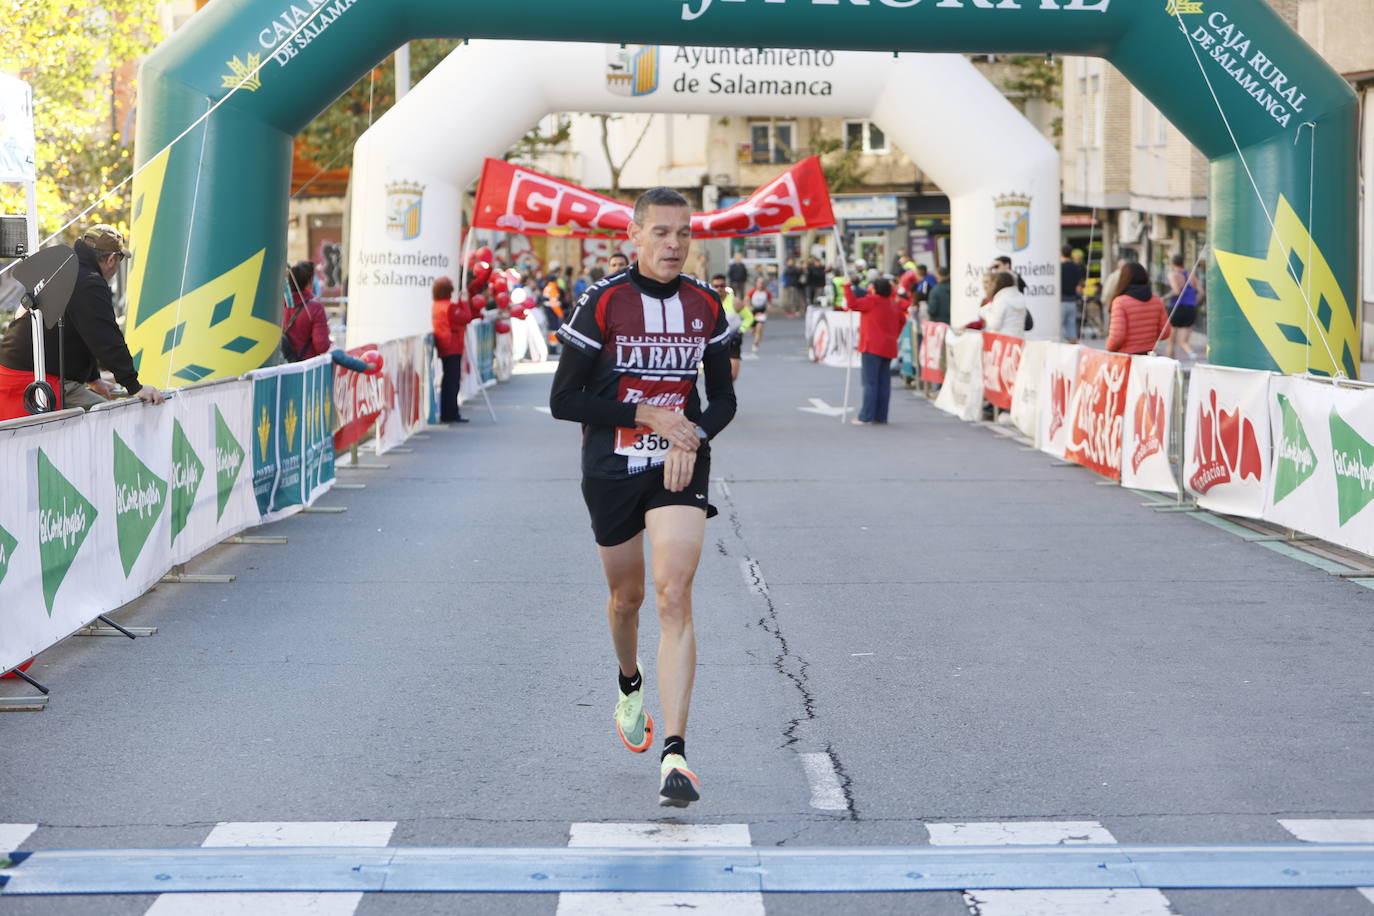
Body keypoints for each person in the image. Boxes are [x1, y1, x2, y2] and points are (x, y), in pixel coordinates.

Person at [549, 186, 736, 807]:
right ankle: (628, 682)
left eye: (684, 232)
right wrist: (646, 413)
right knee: (626, 598)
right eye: (661, 231)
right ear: (634, 235)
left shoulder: (707, 305)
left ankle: (676, 754)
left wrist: (694, 433)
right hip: (610, 466)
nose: (675, 243)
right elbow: (564, 401)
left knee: (673, 592)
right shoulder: (600, 303)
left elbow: (723, 399)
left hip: (678, 468)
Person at [0, 223, 166, 420]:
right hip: (36, 379)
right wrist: (134, 386)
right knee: (114, 419)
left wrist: (94, 379)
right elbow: (105, 336)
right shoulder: (90, 282)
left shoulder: (63, 268)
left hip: (11, 370)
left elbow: (82, 330)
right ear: (112, 259)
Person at [842, 276, 907, 425]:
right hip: (888, 347)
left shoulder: (872, 301)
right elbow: (902, 321)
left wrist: (847, 287)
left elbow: (852, 303)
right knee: (884, 383)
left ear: (875, 289)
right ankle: (881, 416)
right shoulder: (893, 305)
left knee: (870, 383)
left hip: (871, 346)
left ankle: (866, 415)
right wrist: (893, 335)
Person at [1106, 261, 1171, 356]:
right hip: (1149, 356)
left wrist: (1108, 348)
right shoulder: (1157, 300)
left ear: (1123, 278)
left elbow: (1117, 337)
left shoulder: (1120, 302)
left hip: (1127, 358)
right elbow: (1165, 332)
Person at [431, 276, 472, 423]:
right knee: (452, 382)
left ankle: (449, 412)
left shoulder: (436, 305)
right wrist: (465, 302)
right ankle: (450, 413)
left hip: (444, 345)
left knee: (448, 380)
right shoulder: (449, 307)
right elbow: (466, 317)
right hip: (452, 346)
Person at [282, 260, 331, 361]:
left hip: (282, 365)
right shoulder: (315, 308)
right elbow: (321, 346)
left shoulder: (280, 303)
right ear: (310, 281)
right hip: (307, 367)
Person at [712, 273, 752, 381]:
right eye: (716, 286)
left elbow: (749, 317)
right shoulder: (710, 302)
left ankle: (729, 397)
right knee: (719, 378)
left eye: (722, 285)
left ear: (725, 286)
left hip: (733, 341)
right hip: (716, 342)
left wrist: (740, 331)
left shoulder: (735, 301)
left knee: (731, 377)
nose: (719, 288)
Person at [1165, 253, 1202, 359]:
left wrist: (1164, 298)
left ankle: (1170, 365)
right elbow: (1201, 292)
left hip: (1177, 307)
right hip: (1190, 308)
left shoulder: (1172, 275)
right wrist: (1193, 302)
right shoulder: (1190, 275)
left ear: (1172, 263)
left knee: (1171, 342)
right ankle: (1191, 354)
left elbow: (1176, 291)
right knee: (1183, 341)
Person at [978, 271, 1029, 337]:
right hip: (1018, 340)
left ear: (999, 283)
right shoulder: (1020, 297)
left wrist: (986, 312)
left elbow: (995, 325)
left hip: (1004, 341)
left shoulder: (1001, 299)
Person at [1058, 245, 1085, 344]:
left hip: (1061, 300)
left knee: (1058, 329)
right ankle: (1073, 351)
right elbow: (1079, 285)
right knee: (1071, 327)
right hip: (1072, 300)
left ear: (1061, 253)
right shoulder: (1076, 267)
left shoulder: (1059, 267)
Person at [746, 275, 771, 352]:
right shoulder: (752, 291)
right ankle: (758, 334)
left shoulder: (766, 292)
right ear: (756, 283)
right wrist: (749, 307)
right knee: (752, 331)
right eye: (759, 282)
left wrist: (768, 307)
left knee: (759, 328)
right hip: (753, 311)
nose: (761, 284)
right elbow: (746, 300)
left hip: (761, 311)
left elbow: (770, 302)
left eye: (762, 282)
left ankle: (755, 343)